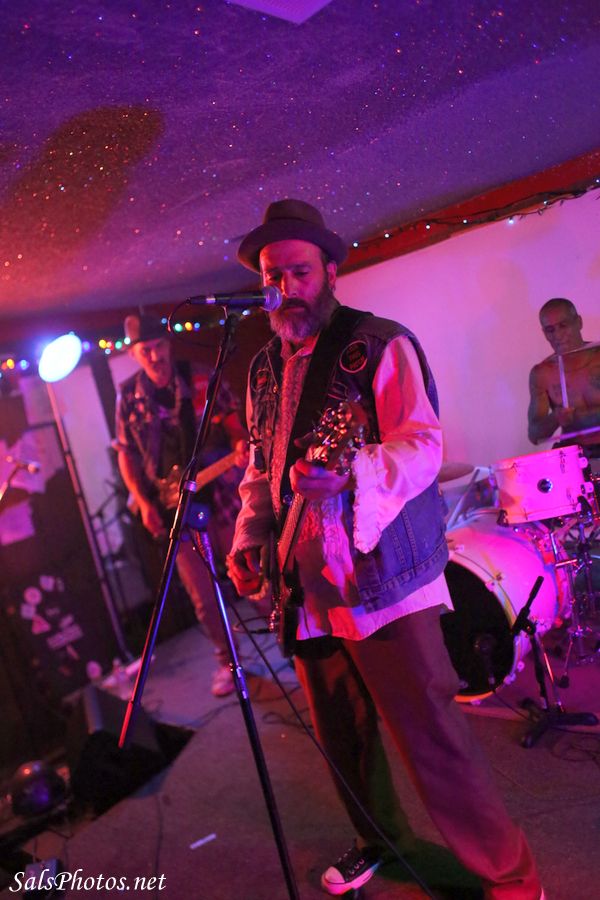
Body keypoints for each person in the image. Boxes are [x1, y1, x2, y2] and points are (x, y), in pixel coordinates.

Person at [226, 199, 544, 898]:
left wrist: (351, 472)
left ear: (330, 271)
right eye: (272, 277)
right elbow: (259, 467)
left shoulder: (379, 343)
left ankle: (514, 878)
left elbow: (422, 446)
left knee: (433, 738)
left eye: (299, 272)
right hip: (306, 587)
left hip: (383, 580)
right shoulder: (262, 369)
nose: (285, 288)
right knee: (344, 735)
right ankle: (380, 838)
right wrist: (250, 533)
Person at [114, 313, 247, 697]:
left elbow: (234, 426)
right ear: (134, 354)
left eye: (159, 346)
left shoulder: (202, 377)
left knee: (250, 570)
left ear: (168, 345)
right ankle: (228, 662)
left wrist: (240, 445)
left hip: (220, 493)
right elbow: (126, 454)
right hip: (174, 509)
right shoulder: (128, 396)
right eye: (145, 351)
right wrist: (143, 502)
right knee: (203, 597)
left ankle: (289, 640)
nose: (154, 356)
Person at [528, 297, 600, 460]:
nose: (558, 335)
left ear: (579, 322)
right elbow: (534, 434)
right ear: (544, 333)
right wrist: (555, 418)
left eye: (563, 326)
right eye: (550, 330)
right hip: (576, 456)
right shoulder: (542, 373)